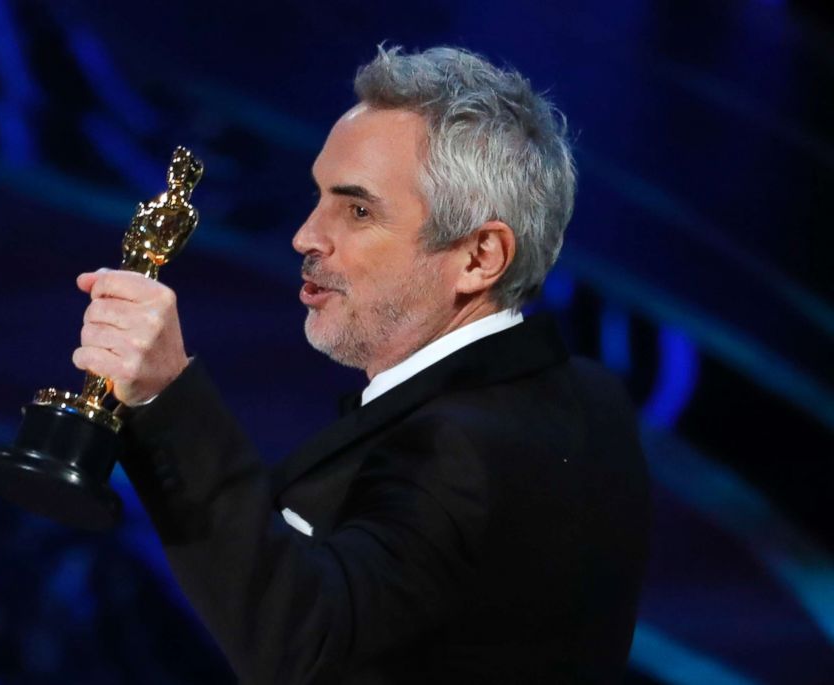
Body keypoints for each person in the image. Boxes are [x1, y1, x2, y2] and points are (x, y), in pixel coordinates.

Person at [72, 46, 649, 684]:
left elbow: (305, 637)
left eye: (359, 210)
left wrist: (167, 397)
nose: (306, 236)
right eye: (318, 197)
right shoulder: (587, 398)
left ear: (480, 256)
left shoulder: (458, 448)